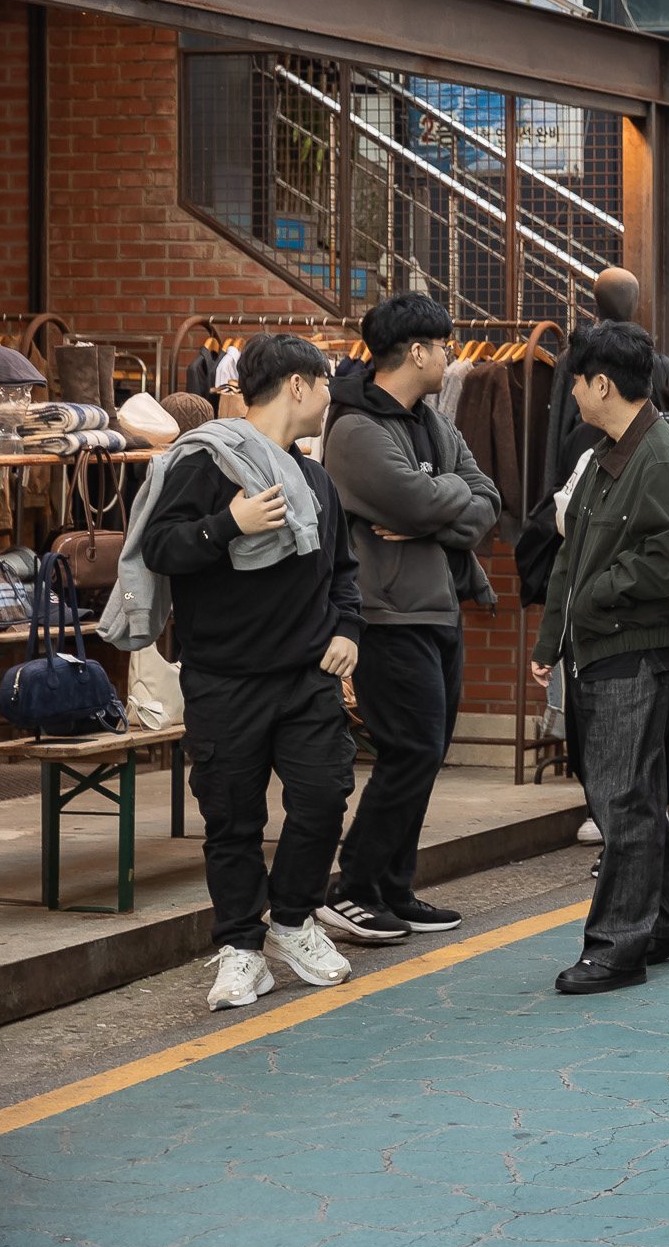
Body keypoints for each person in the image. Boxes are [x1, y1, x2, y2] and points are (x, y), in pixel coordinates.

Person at [123, 333, 362, 1012]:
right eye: (325, 382)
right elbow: (161, 547)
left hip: (306, 674)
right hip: (223, 678)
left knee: (322, 798)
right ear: (296, 386)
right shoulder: (205, 464)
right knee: (231, 820)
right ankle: (239, 947)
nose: (329, 395)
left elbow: (343, 573)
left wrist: (347, 629)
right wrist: (227, 522)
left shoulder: (315, 479)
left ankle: (290, 919)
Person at [527, 322, 669, 993]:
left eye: (575, 378)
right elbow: (573, 558)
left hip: (633, 650)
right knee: (627, 797)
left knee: (622, 800)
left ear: (602, 383)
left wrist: (595, 598)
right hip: (605, 645)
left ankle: (615, 947)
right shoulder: (612, 450)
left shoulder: (657, 454)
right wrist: (553, 638)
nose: (570, 391)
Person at [316, 294, 499, 943]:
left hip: (439, 607)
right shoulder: (356, 429)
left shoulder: (430, 422)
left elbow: (487, 500)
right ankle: (353, 887)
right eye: (444, 344)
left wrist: (434, 509)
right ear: (416, 351)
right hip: (386, 616)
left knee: (426, 752)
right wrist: (440, 504)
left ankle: (394, 886)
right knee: (410, 748)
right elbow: (421, 502)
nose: (451, 356)